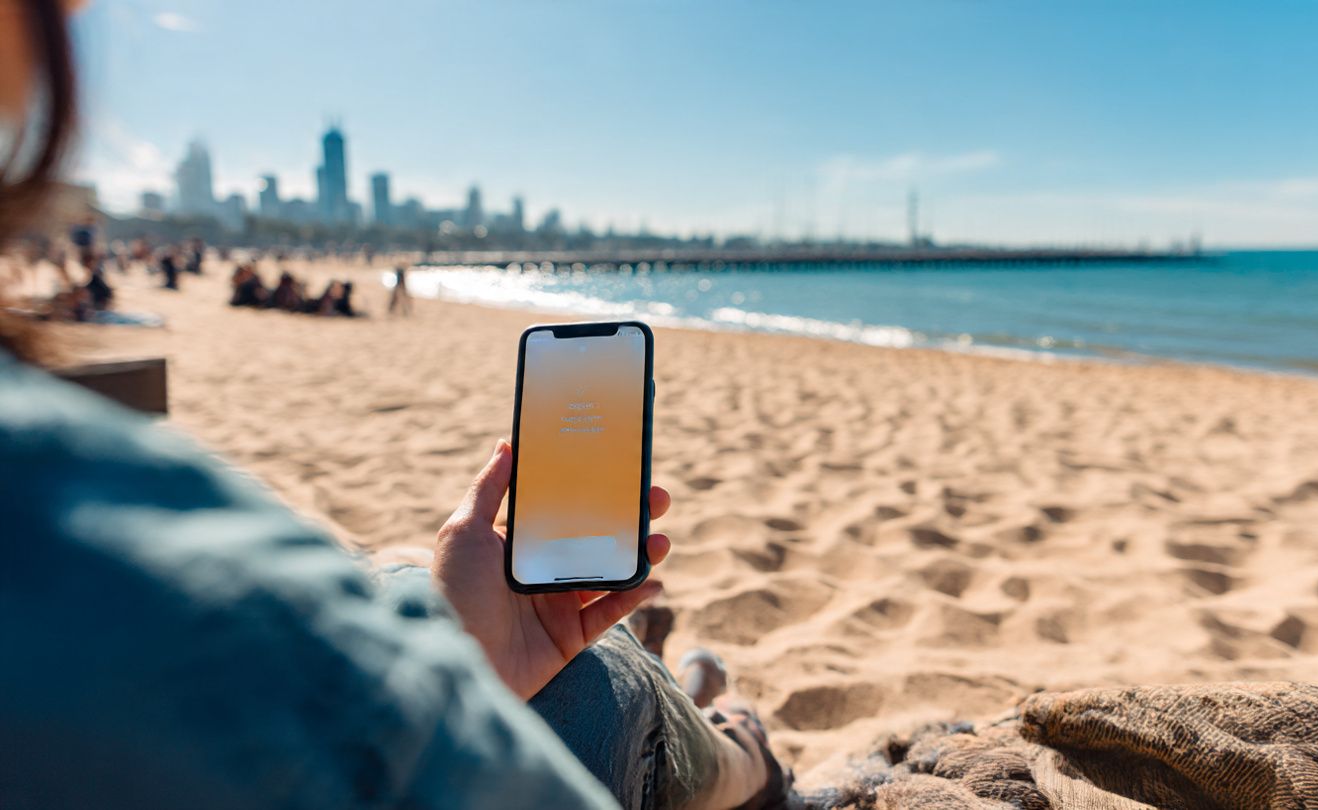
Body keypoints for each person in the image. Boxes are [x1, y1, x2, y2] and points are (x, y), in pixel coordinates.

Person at [0, 4, 787, 808]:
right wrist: (468, 681)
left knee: (426, 576)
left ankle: (681, 675)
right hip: (555, 729)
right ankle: (740, 734)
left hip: (438, 672)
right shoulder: (78, 518)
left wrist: (470, 663)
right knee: (602, 682)